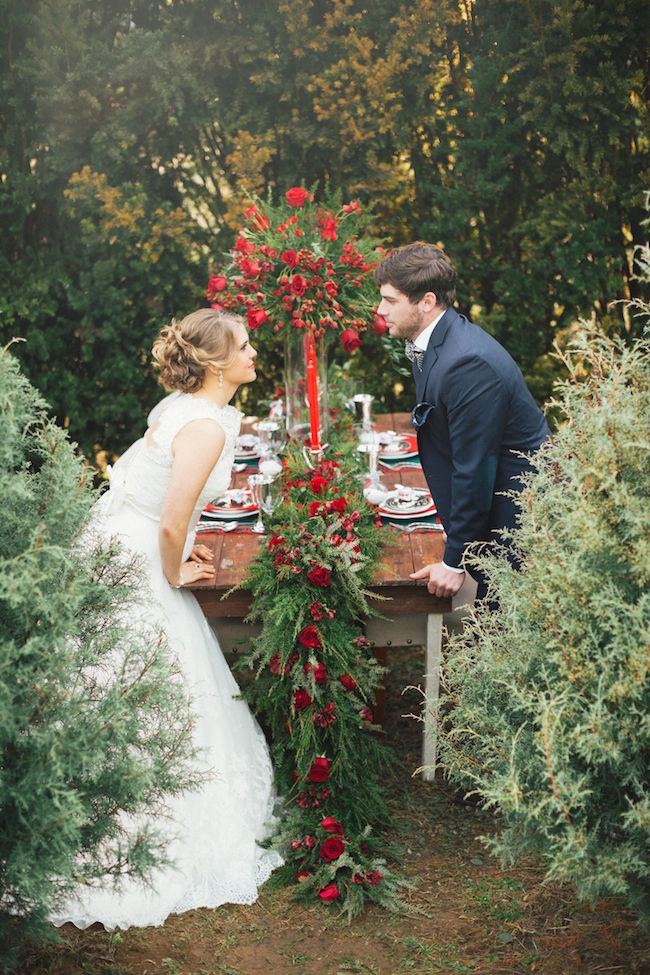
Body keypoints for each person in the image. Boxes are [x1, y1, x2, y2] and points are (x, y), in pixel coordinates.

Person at [51, 308, 282, 930]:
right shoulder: (204, 427)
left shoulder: (178, 407)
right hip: (135, 559)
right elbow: (173, 513)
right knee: (145, 676)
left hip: (121, 537)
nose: (254, 353)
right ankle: (136, 821)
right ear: (214, 363)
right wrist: (175, 565)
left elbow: (145, 494)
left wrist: (178, 545)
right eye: (245, 345)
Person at [375, 243, 549, 602]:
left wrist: (454, 561)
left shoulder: (468, 362)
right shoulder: (434, 341)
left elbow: (475, 466)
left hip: (519, 516)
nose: (380, 311)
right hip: (489, 507)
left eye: (390, 301)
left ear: (426, 301)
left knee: (498, 632)